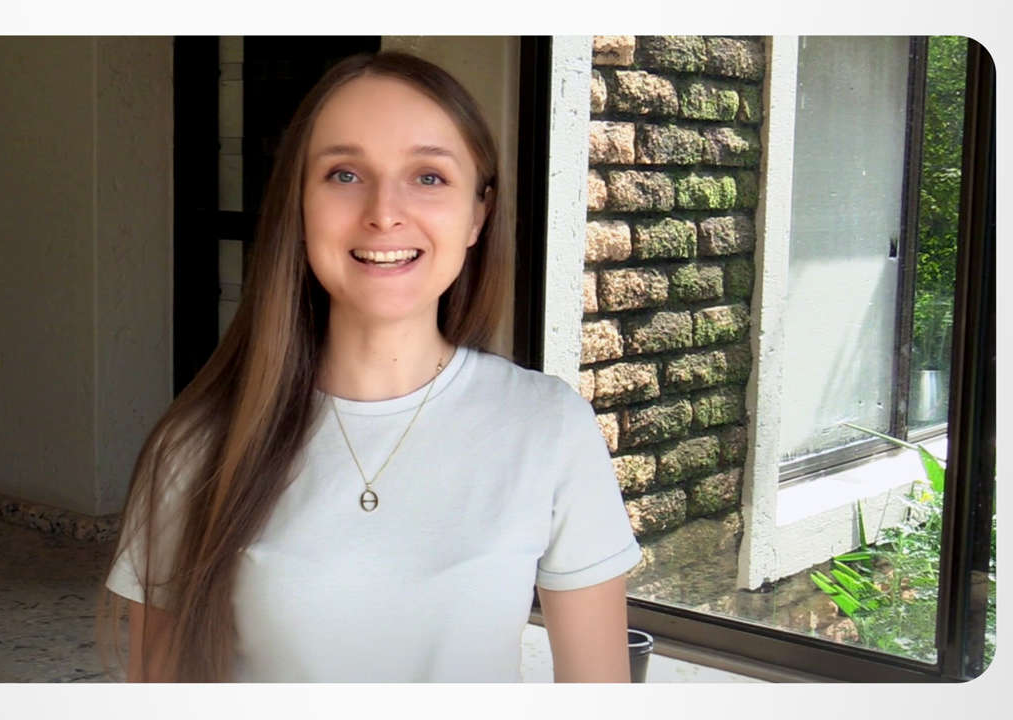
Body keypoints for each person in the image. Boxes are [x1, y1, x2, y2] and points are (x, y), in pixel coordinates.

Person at [99, 50, 641, 683]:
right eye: (345, 174)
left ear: (478, 214)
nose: (384, 211)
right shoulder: (197, 446)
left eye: (429, 177)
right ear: (300, 207)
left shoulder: (549, 427)